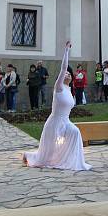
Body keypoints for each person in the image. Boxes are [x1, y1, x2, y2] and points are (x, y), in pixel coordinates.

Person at [23, 41, 92, 171]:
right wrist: (66, 51)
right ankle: (28, 155)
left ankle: (71, 160)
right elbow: (63, 68)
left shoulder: (69, 90)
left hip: (65, 121)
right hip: (54, 122)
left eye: (69, 75)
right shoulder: (58, 87)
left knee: (75, 132)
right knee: (46, 154)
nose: (67, 75)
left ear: (71, 79)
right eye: (66, 74)